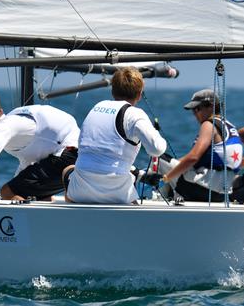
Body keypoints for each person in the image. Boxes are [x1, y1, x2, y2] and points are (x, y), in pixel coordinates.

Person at [65, 67, 167, 204]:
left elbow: (98, 155)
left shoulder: (97, 107)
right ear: (139, 94)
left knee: (67, 170)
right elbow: (157, 149)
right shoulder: (135, 114)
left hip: (80, 192)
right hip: (116, 194)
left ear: (113, 91)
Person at [153, 89, 243, 202]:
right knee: (173, 164)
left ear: (211, 106)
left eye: (197, 109)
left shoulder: (209, 125)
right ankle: (171, 195)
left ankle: (159, 199)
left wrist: (166, 178)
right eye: (193, 110)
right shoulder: (230, 126)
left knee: (158, 158)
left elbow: (193, 158)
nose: (195, 113)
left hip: (203, 191)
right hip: (223, 193)